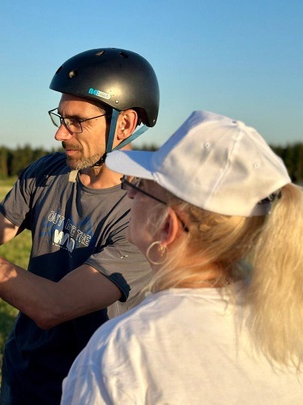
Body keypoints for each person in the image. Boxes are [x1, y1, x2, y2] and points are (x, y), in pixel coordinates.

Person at [0, 48, 160, 404]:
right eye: (61, 117)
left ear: (125, 124)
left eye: (78, 121)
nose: (61, 133)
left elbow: (52, 307)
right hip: (24, 373)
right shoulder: (48, 173)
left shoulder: (144, 212)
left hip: (90, 388)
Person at [61, 110, 303, 404]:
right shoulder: (286, 321)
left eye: (138, 186)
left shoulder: (121, 352)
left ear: (167, 227)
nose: (130, 196)